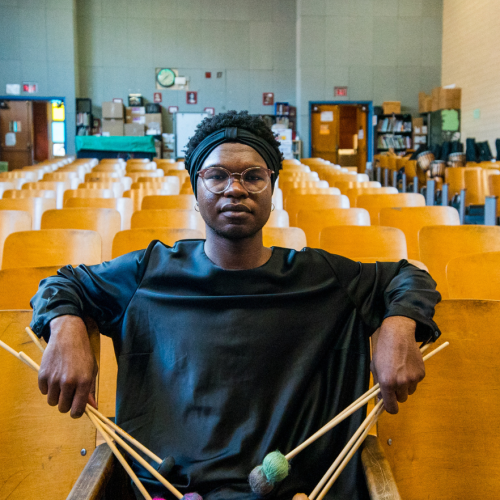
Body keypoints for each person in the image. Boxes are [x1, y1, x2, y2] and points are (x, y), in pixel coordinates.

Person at [30, 111, 441, 500]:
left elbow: (409, 277)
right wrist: (66, 328)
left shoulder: (321, 276)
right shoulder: (148, 272)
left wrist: (401, 325)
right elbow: (62, 283)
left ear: (273, 187)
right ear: (195, 187)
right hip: (172, 491)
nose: (235, 188)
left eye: (253, 176)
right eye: (217, 176)